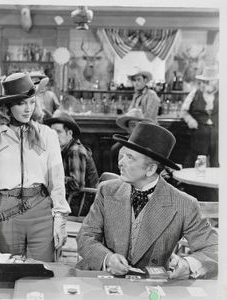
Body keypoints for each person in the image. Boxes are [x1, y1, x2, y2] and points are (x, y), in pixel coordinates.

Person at [76, 122, 218, 279]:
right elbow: (85, 236)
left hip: (152, 286)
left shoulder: (184, 204)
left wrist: (188, 265)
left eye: (129, 158)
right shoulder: (107, 190)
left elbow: (214, 249)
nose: (120, 162)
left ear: (150, 169)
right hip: (106, 281)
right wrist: (107, 259)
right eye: (122, 155)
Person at [0, 73, 71, 261]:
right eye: (21, 103)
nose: (28, 109)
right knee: (7, 274)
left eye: (31, 102)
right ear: (7, 107)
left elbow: (57, 180)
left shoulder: (47, 135)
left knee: (41, 273)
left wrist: (60, 218)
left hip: (40, 210)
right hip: (5, 213)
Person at [44, 110, 99, 216]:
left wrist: (52, 178)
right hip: (72, 198)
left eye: (59, 132)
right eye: (52, 132)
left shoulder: (75, 151)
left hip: (81, 203)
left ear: (69, 133)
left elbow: (76, 184)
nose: (55, 136)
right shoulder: (63, 150)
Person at [181, 66, 219, 168]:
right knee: (198, 160)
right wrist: (190, 120)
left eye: (210, 82)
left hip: (217, 134)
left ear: (216, 82)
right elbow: (184, 111)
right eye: (205, 82)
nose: (206, 85)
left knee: (216, 162)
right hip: (200, 133)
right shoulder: (195, 93)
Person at [110, 108, 153, 173]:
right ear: (128, 129)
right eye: (133, 125)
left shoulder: (151, 147)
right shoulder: (117, 149)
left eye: (140, 125)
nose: (137, 129)